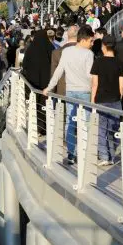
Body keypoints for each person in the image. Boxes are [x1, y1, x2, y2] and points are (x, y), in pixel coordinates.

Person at [43, 26, 95, 164]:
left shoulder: (66, 52)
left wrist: (49, 87)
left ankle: (72, 153)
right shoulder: (88, 54)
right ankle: (85, 152)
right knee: (86, 123)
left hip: (70, 91)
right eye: (91, 41)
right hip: (85, 91)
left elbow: (59, 71)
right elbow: (90, 76)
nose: (92, 44)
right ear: (84, 39)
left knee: (70, 122)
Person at [90, 35, 123, 166]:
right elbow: (122, 85)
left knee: (101, 129)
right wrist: (119, 97)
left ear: (103, 46)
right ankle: (112, 154)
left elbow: (94, 84)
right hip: (116, 100)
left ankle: (104, 156)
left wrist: (92, 100)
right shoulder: (119, 62)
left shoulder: (98, 62)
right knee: (113, 129)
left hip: (101, 100)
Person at [50, 25, 79, 96]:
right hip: (83, 92)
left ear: (67, 34)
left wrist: (51, 91)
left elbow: (54, 74)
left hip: (62, 91)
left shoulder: (57, 52)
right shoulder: (87, 52)